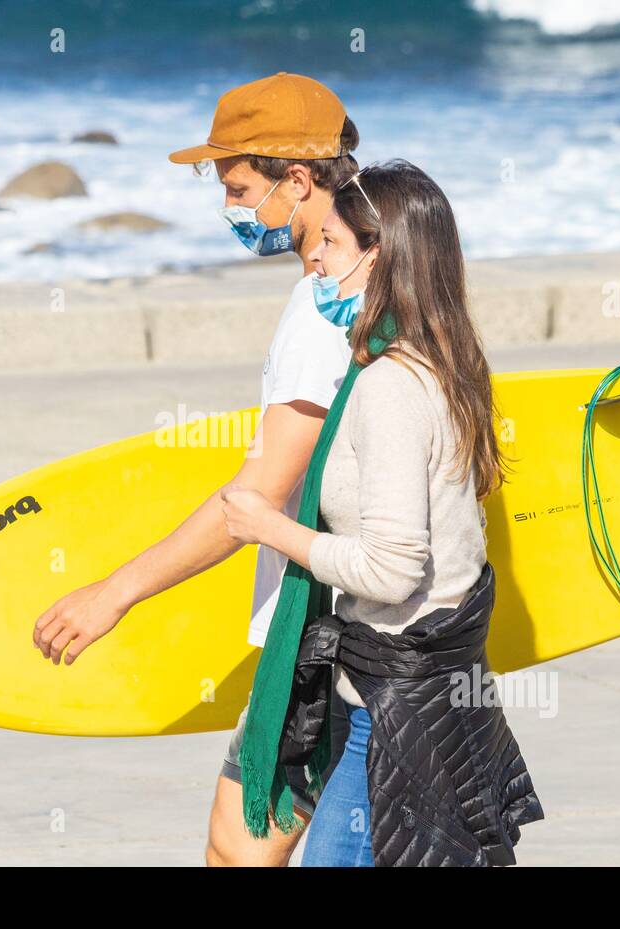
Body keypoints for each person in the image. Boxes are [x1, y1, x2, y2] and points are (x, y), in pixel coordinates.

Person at [31, 73, 363, 867]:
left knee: (241, 849)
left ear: (299, 179)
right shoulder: (381, 267)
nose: (230, 208)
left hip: (334, 628)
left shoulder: (324, 308)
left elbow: (258, 497)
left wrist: (113, 594)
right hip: (364, 617)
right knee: (239, 844)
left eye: (239, 187)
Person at [220, 159, 544, 866]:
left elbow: (393, 570)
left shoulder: (390, 385)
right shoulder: (443, 361)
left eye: (331, 243)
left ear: (381, 257)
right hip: (427, 694)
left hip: (396, 715)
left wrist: (269, 527)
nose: (315, 258)